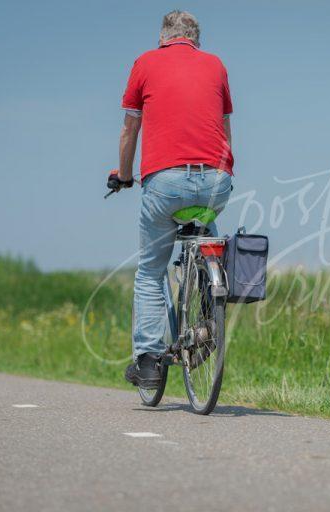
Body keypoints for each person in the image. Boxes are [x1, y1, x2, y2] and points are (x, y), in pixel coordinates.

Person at [107, 10, 234, 388]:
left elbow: (131, 128)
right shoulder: (216, 65)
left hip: (165, 183)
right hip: (216, 181)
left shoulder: (146, 62)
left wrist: (124, 176)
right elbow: (226, 128)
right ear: (196, 40)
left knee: (150, 270)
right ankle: (211, 306)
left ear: (163, 38)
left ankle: (147, 362)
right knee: (207, 233)